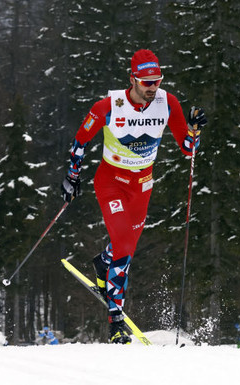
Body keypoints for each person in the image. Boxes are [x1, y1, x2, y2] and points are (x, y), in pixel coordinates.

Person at [60, 49, 207, 344]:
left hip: (142, 185)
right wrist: (72, 177)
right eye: (146, 81)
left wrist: (195, 129)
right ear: (133, 79)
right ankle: (115, 324)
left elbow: (188, 148)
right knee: (124, 244)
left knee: (123, 249)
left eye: (157, 81)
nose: (153, 87)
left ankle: (104, 264)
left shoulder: (168, 103)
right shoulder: (109, 105)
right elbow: (81, 139)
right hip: (111, 181)